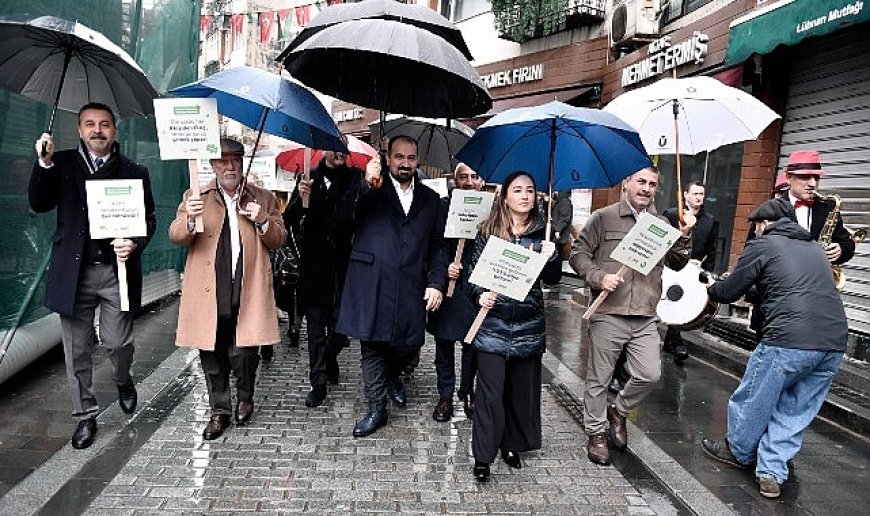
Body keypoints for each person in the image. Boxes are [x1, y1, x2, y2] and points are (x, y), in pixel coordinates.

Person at [28, 103, 156, 450]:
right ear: (80, 130)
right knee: (77, 351)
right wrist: (44, 163)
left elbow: (148, 220)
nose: (97, 130)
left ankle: (123, 378)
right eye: (89, 124)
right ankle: (85, 416)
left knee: (119, 343)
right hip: (73, 273)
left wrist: (135, 242)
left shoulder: (134, 171)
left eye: (104, 124)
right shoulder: (61, 163)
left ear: (115, 130)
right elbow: (39, 203)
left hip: (116, 272)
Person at [701, 197, 847, 499]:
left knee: (755, 397)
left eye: (755, 226)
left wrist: (708, 287)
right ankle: (771, 472)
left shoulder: (764, 244)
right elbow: (781, 287)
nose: (754, 232)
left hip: (788, 340)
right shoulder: (814, 248)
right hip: (832, 344)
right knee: (796, 409)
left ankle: (737, 451)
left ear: (764, 224)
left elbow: (728, 292)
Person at [570, 167, 695, 466]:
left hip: (645, 314)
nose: (646, 188)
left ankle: (619, 411)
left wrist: (684, 235)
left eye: (652, 183)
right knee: (599, 379)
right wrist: (599, 277)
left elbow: (677, 263)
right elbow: (578, 254)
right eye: (641, 181)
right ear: (626, 182)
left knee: (650, 374)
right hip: (609, 311)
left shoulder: (661, 223)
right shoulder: (603, 217)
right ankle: (596, 433)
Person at [169, 138, 286, 441]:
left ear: (243, 162)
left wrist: (262, 219)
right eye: (223, 160)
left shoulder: (262, 197)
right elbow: (176, 235)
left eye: (235, 159)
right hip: (210, 290)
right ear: (212, 164)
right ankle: (219, 411)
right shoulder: (197, 195)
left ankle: (245, 396)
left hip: (248, 288)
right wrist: (190, 218)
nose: (230, 166)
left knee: (243, 353)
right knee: (212, 354)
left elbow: (278, 239)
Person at [336, 135, 448, 438]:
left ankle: (392, 376)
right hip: (371, 282)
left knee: (409, 343)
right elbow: (339, 220)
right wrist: (363, 184)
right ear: (387, 158)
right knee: (372, 346)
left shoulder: (431, 200)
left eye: (411, 158)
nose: (405, 163)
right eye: (399, 157)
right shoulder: (369, 187)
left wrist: (436, 282)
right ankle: (377, 409)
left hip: (412, 284)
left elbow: (439, 246)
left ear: (418, 161)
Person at [467, 171, 561, 481]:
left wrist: (552, 257)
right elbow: (473, 277)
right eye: (517, 190)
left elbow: (553, 279)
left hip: (527, 325)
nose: (524, 195)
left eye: (530, 190)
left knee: (519, 392)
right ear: (505, 196)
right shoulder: (488, 232)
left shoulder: (544, 234)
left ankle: (511, 444)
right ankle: (483, 457)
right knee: (489, 394)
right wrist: (480, 295)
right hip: (492, 325)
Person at [283, 139, 361, 408]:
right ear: (325, 149)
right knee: (316, 329)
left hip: (344, 266)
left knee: (341, 328)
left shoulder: (355, 178)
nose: (339, 152)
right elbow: (289, 219)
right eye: (334, 146)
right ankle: (318, 383)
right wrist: (300, 199)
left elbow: (351, 215)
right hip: (314, 267)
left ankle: (329, 358)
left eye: (343, 148)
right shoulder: (308, 177)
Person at [747, 150, 855, 341]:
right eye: (805, 177)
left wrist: (841, 249)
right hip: (774, 307)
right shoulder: (770, 209)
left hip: (813, 307)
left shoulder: (828, 208)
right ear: (788, 177)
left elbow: (847, 243)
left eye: (816, 178)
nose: (812, 183)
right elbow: (751, 252)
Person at [426, 163, 483, 423]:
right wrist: (444, 266)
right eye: (463, 177)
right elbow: (433, 243)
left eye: (474, 176)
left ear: (481, 181)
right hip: (449, 288)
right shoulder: (443, 207)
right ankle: (445, 395)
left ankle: (467, 392)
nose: (469, 182)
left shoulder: (491, 211)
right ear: (454, 180)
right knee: (444, 345)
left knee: (472, 346)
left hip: (475, 289)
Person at [661, 180, 719, 361]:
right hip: (671, 266)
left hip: (694, 270)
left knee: (683, 305)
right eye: (695, 194)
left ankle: (673, 341)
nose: (698, 198)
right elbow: (662, 241)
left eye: (701, 194)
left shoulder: (710, 220)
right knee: (667, 302)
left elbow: (712, 250)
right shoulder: (671, 215)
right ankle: (671, 341)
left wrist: (706, 273)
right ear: (685, 195)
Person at [550, 190, 574, 260]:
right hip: (558, 233)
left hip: (560, 234)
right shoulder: (561, 201)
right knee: (557, 255)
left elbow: (564, 218)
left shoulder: (564, 201)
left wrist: (557, 230)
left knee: (557, 256)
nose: (555, 192)